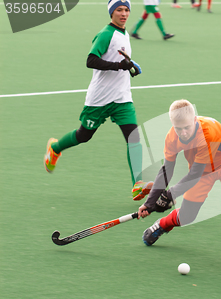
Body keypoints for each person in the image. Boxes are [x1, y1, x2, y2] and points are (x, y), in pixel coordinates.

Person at [44, 0, 154, 202]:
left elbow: (121, 60)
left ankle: (138, 184)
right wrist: (119, 66)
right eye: (119, 10)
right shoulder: (106, 34)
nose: (124, 14)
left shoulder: (124, 33)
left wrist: (130, 66)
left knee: (134, 137)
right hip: (99, 99)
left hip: (122, 98)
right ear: (111, 12)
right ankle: (55, 148)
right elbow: (91, 60)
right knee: (83, 135)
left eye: (127, 10)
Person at [137, 99, 221, 269]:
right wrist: (150, 204)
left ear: (195, 120)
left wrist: (169, 195)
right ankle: (162, 224)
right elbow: (166, 170)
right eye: (179, 129)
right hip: (203, 171)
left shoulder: (206, 132)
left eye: (187, 127)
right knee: (187, 216)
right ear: (172, 124)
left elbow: (195, 174)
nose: (183, 132)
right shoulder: (172, 138)